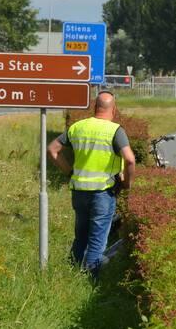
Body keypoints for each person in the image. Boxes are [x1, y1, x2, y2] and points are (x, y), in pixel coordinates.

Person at [47, 91, 136, 279]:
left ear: (95, 108)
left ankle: (71, 273)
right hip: (103, 193)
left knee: (81, 236)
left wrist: (70, 172)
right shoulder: (115, 131)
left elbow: (53, 149)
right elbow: (130, 160)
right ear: (114, 109)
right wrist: (127, 183)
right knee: (97, 241)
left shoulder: (78, 127)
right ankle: (90, 281)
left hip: (79, 193)